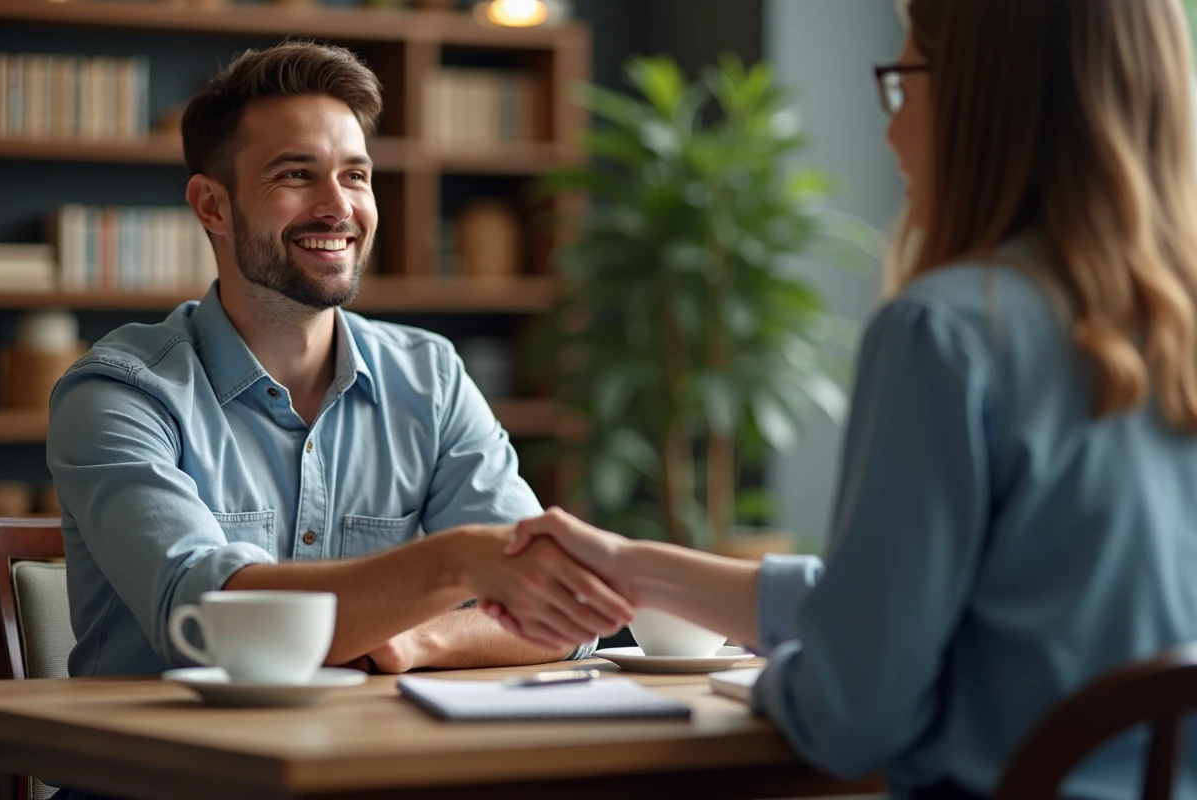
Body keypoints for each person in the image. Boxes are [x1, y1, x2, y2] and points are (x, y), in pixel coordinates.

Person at [485, 0, 1197, 798]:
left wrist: (774, 682)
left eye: (903, 82)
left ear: (982, 97)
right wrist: (633, 569)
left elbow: (853, 713)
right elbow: (933, 607)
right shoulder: (1169, 333)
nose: (891, 130)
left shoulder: (946, 330)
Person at [46, 41, 632, 685]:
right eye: (297, 174)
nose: (339, 206)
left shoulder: (429, 379)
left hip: (370, 766)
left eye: (355, 174)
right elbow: (209, 619)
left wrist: (419, 639)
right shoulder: (118, 394)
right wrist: (457, 563)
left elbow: (557, 612)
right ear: (212, 205)